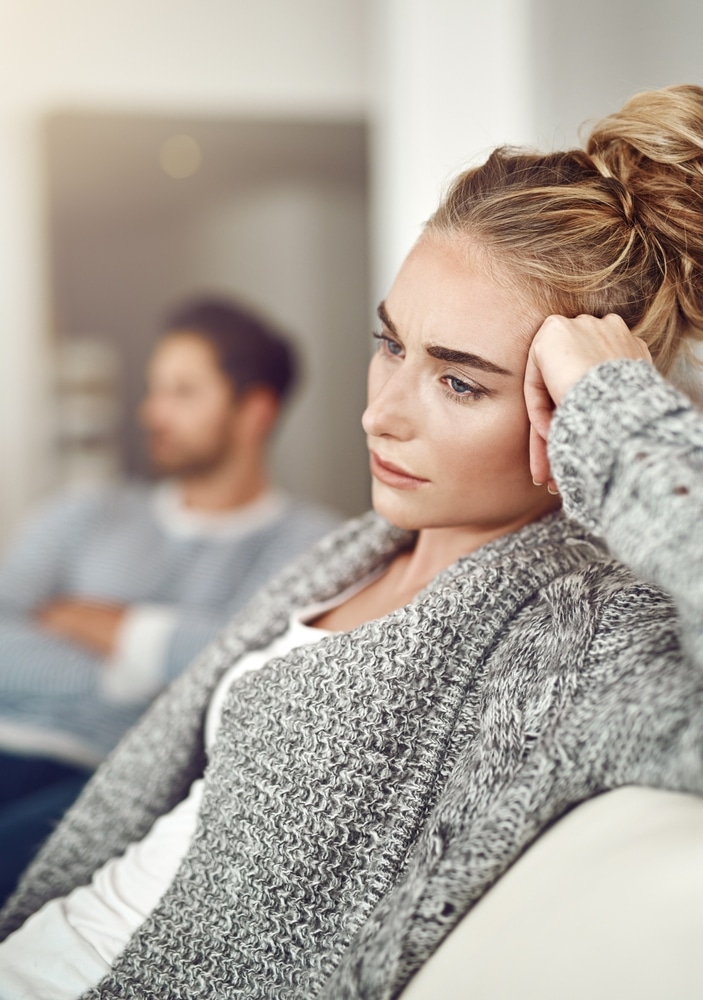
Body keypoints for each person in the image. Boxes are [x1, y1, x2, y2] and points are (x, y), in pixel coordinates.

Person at [0, 83, 702, 1000]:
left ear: (569, 403)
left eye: (459, 383)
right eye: (390, 344)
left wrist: (620, 418)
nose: (378, 414)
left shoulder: (578, 640)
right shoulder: (356, 548)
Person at [0, 296, 340, 904]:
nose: (152, 411)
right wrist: (148, 673)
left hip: (104, 778)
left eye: (182, 393)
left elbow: (252, 680)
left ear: (254, 410)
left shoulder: (312, 548)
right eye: (156, 390)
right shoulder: (85, 513)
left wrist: (96, 621)